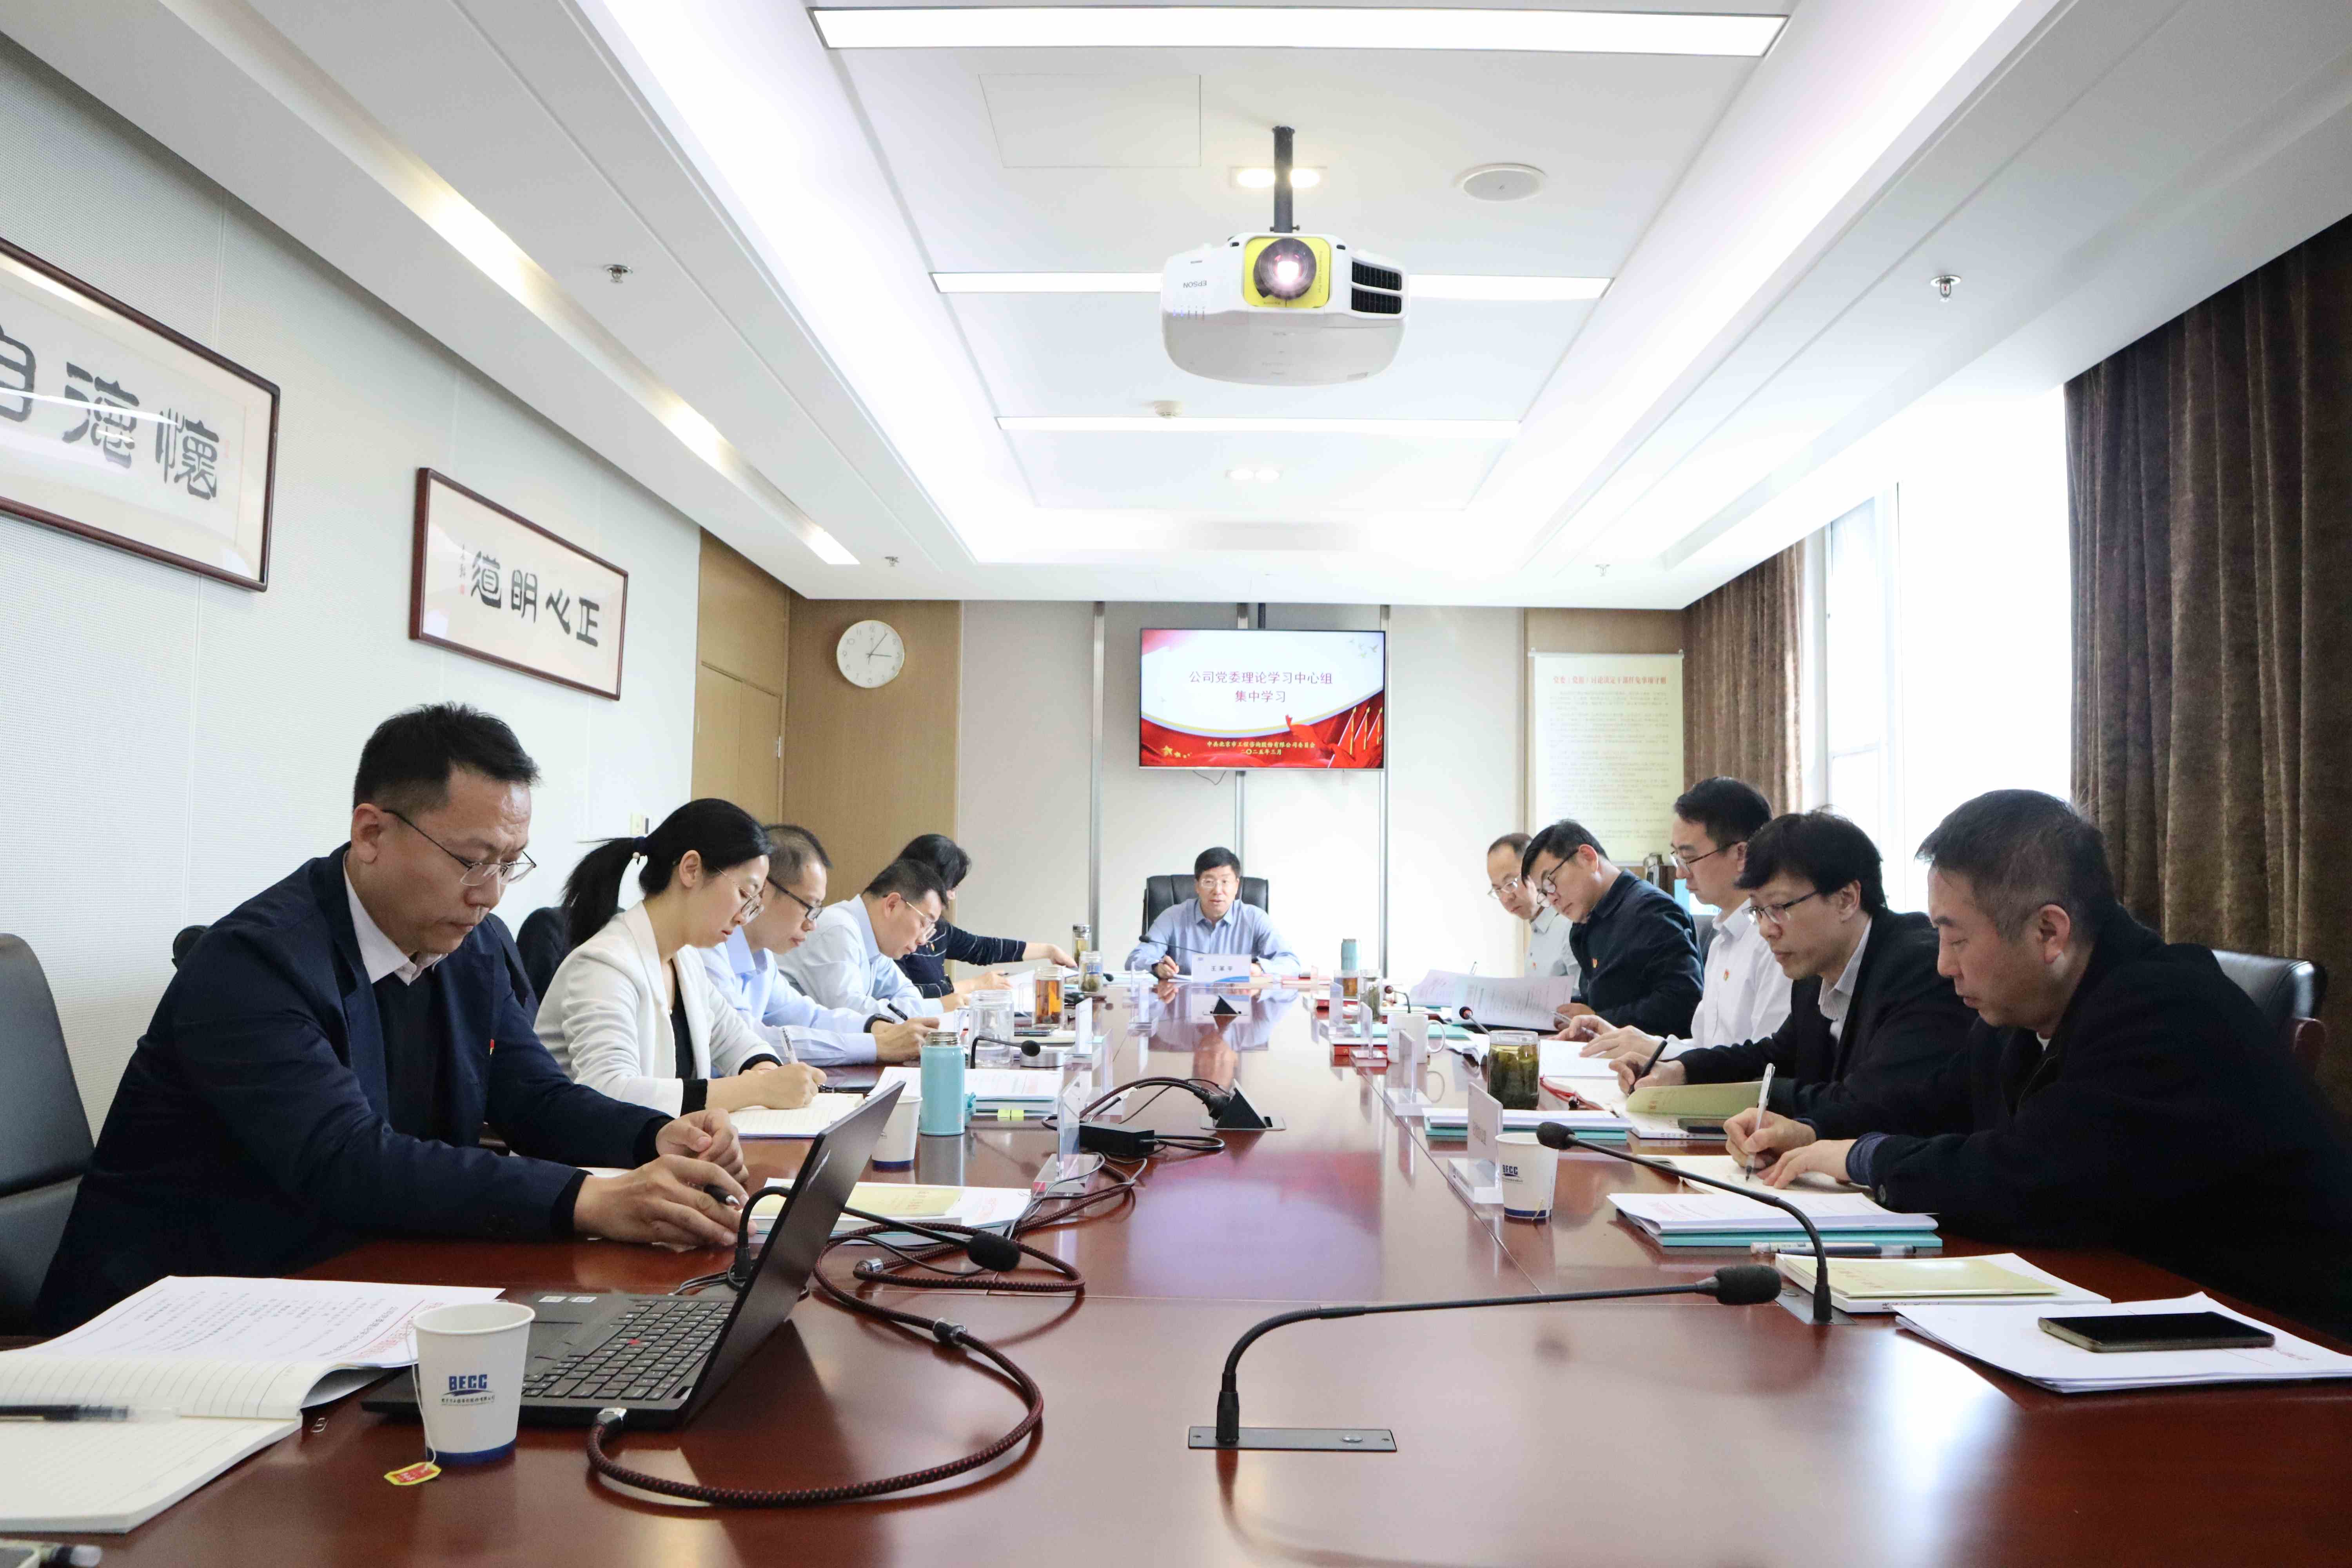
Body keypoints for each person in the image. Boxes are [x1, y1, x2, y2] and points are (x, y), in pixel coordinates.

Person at [36, 705, 755, 1333]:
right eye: (473, 861)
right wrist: (588, 1199)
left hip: (358, 1289)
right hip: (172, 1318)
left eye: (510, 864)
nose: (491, 895)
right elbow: (349, 1161)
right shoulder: (255, 963)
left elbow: (533, 1097)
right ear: (372, 832)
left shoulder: (470, 946)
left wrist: (653, 1137)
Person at [1727, 791, 2352, 1337]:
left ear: (2049, 932)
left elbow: (2030, 1176)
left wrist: (1863, 1157)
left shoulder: (2163, 1011)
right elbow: (1936, 1097)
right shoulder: (2031, 1011)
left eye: (1957, 938)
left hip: (2282, 1345)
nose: (1943, 965)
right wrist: (1811, 1133)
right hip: (2135, 1306)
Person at [1619, 810, 1973, 1122]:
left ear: (1846, 899)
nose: (1765, 929)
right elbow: (1776, 1057)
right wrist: (1680, 1072)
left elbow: (1872, 1102)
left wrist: (1753, 1097)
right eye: (1758, 911)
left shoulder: (1918, 968)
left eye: (1778, 908)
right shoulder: (1814, 971)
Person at [536, 800, 828, 1116]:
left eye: (754, 904)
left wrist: (768, 1072)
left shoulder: (685, 960)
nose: (744, 917)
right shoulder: (604, 965)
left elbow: (737, 1041)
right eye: (745, 894)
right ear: (691, 869)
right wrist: (758, 1089)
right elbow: (609, 1090)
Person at [1575, 778, 1792, 1064]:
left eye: (1689, 858)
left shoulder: (1775, 941)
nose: (1680, 873)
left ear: (1742, 854)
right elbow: (1704, 1046)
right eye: (1677, 858)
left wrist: (1657, 1053)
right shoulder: (1722, 939)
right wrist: (1634, 1041)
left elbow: (1768, 1066)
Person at [700, 823, 938, 1066]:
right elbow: (748, 1040)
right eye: (809, 907)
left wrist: (874, 1027)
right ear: (764, 889)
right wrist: (877, 1045)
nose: (812, 924)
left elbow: (809, 1016)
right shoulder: (709, 948)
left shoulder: (763, 959)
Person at [1522, 820, 1700, 1038]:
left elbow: (1684, 1004)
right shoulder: (1587, 924)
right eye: (1544, 893)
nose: (1553, 899)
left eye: (1551, 883)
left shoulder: (1651, 910)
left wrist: (1599, 1019)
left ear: (1588, 857)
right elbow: (1606, 1000)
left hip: (1653, 1056)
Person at [893, 832, 1076, 1000]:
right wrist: (974, 985)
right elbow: (904, 998)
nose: (952, 896)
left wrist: (1048, 951)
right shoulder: (895, 935)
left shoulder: (939, 928)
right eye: (950, 888)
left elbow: (983, 948)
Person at [778, 857, 946, 1013]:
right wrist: (940, 1005)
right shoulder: (839, 929)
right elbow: (851, 1013)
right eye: (923, 924)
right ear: (892, 905)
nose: (923, 940)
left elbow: (906, 992)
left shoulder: (875, 943)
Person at [1126, 847, 1301, 979]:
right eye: (1209, 882)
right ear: (1197, 886)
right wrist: (1156, 967)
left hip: (1240, 1008)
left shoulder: (1254, 918)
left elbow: (1291, 964)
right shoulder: (1173, 917)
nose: (1218, 891)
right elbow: (1135, 960)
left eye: (1225, 882)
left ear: (1237, 886)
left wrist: (1259, 969)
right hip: (1183, 1007)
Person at [1487, 831, 1573, 980]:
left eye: (1511, 884)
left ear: (1535, 871)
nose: (1506, 898)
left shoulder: (1569, 927)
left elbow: (1587, 993)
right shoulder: (1538, 927)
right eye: (1498, 890)